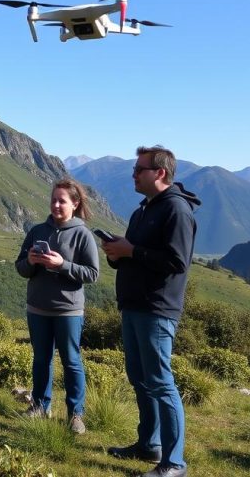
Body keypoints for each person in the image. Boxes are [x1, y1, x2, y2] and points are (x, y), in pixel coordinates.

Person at [101, 146, 200, 477]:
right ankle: (149, 445)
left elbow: (176, 262)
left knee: (160, 382)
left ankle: (174, 462)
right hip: (133, 305)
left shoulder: (177, 210)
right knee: (140, 379)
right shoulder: (143, 210)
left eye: (139, 169)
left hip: (157, 309)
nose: (133, 174)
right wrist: (118, 253)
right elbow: (135, 255)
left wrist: (132, 250)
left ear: (160, 173)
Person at [15, 178, 99, 434]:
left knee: (72, 361)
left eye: (62, 201)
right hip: (38, 308)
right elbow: (20, 267)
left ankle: (76, 414)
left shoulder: (83, 234)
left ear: (75, 203)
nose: (56, 205)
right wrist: (30, 261)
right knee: (41, 360)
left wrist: (61, 264)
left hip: (68, 310)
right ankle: (40, 406)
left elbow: (92, 274)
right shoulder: (37, 231)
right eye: (53, 199)